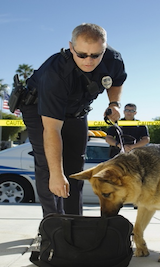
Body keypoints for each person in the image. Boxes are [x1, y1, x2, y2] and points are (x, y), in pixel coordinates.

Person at [20, 23, 127, 217]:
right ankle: (54, 228)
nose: (89, 61)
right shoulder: (56, 73)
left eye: (96, 55)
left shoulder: (113, 59)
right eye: (82, 55)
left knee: (75, 170)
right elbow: (51, 130)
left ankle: (74, 223)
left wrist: (114, 103)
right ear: (71, 47)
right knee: (50, 169)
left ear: (104, 48)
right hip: (39, 109)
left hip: (77, 109)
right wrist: (56, 174)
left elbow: (116, 80)